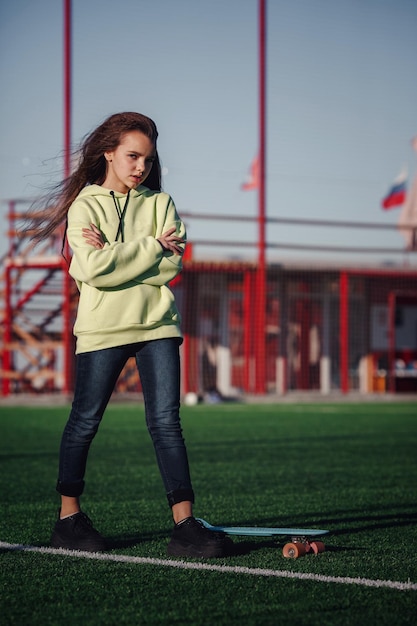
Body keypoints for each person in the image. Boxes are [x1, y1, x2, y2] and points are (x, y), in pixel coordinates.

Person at [29, 112, 230, 558]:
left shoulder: (161, 203)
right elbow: (91, 268)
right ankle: (68, 520)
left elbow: (172, 266)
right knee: (85, 421)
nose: (141, 166)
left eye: (147, 158)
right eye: (132, 156)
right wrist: (152, 247)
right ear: (109, 153)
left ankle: (185, 525)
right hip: (102, 328)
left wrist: (128, 256)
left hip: (158, 325)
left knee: (166, 423)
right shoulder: (85, 205)